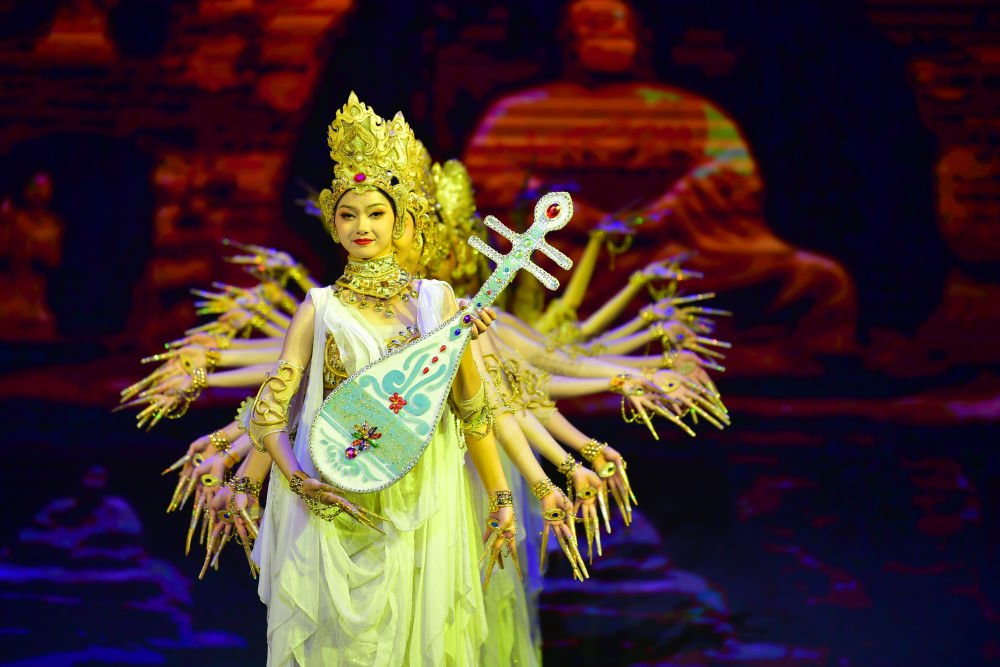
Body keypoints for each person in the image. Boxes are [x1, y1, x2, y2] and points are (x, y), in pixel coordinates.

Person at [241, 93, 515, 666]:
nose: (362, 226)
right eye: (348, 214)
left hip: (423, 501)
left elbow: (472, 409)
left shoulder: (438, 302)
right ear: (332, 223)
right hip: (333, 494)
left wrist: (500, 497)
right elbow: (269, 414)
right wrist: (297, 481)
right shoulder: (317, 308)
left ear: (402, 221)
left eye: (376, 213)